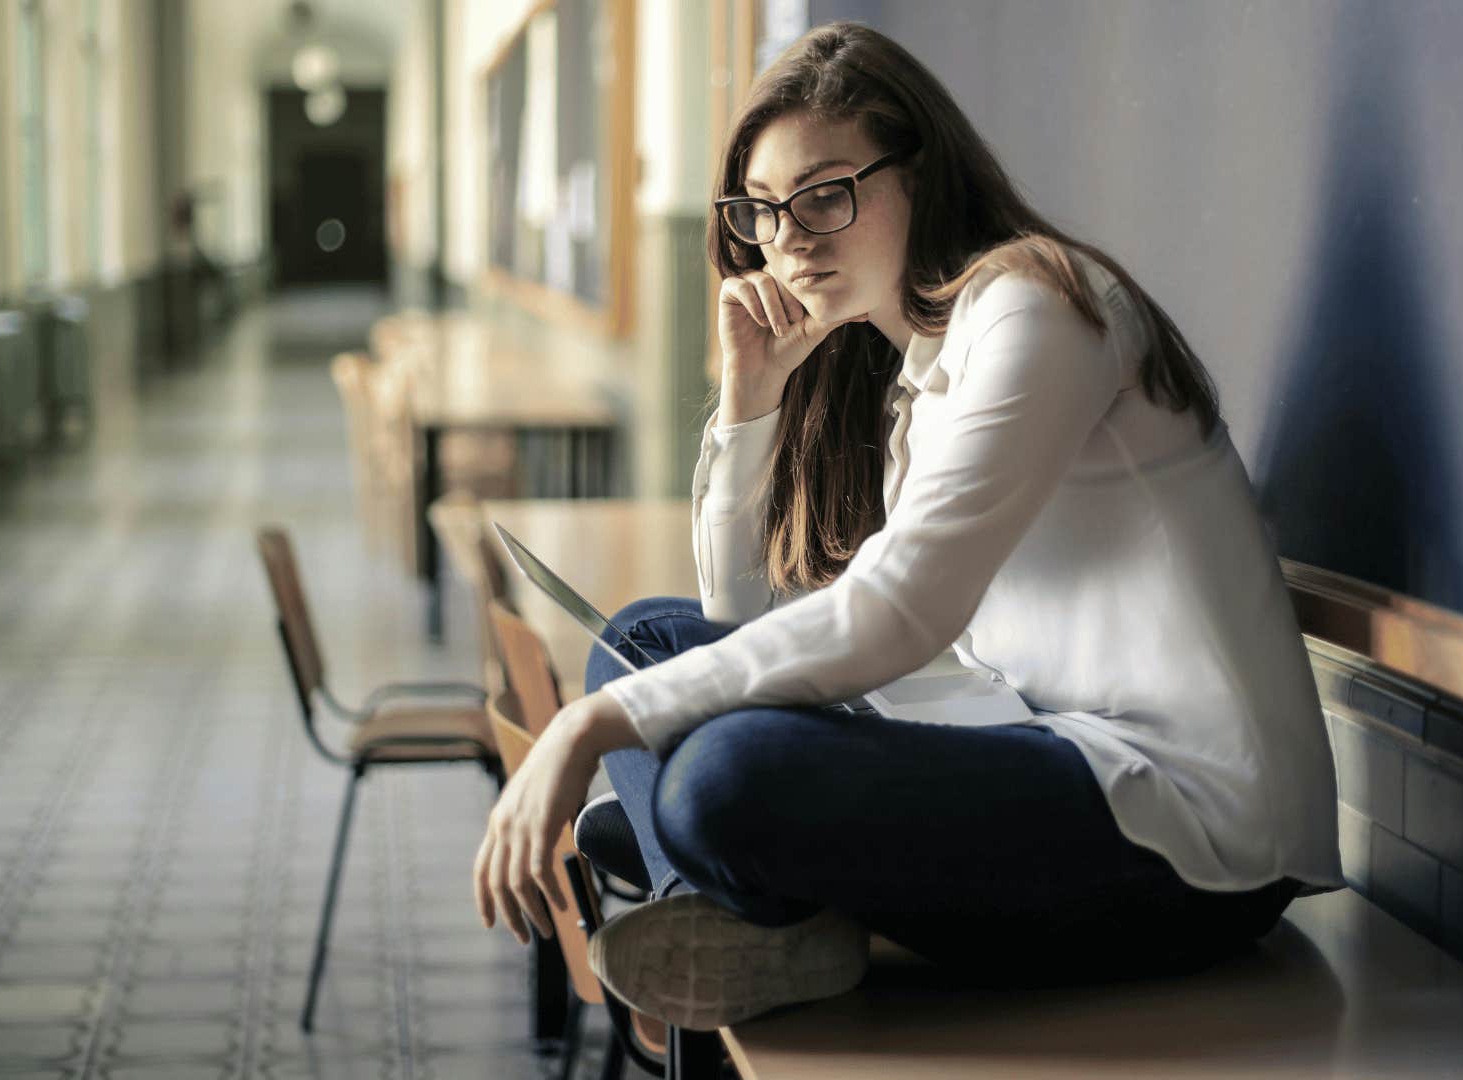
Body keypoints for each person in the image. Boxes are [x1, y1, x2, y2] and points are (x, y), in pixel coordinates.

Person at [472, 21, 1343, 1033]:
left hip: (1193, 839)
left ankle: (724, 886)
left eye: (827, 194)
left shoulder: (1039, 310)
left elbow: (901, 611)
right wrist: (750, 403)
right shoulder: (915, 377)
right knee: (642, 649)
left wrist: (589, 732)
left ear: (922, 175)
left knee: (719, 772)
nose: (791, 239)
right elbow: (736, 614)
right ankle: (745, 905)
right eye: (763, 211)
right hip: (1032, 745)